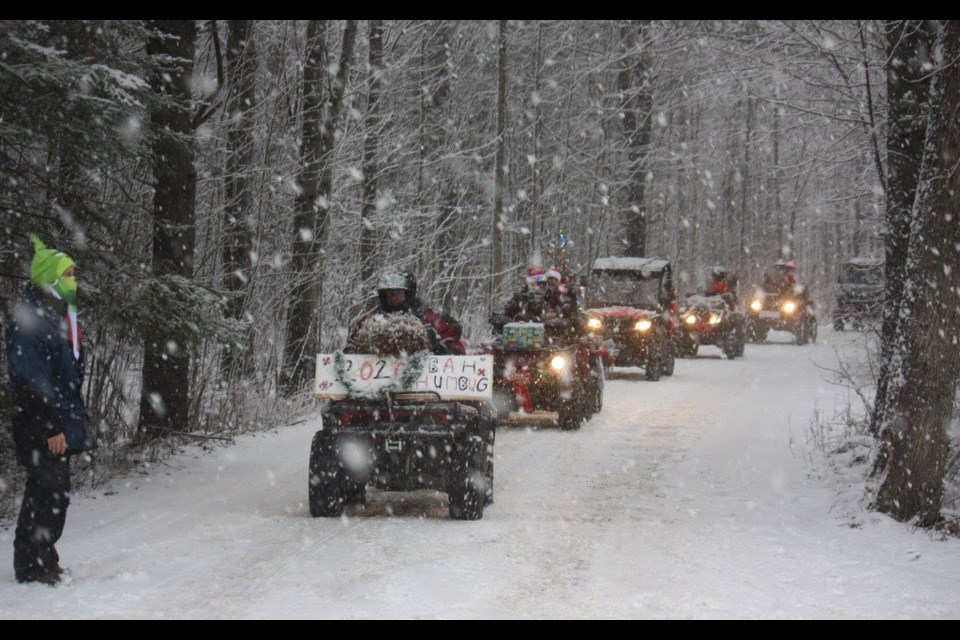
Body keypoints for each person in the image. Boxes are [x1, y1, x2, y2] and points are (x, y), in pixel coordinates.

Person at [6, 235, 93, 585]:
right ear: (49, 279)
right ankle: (31, 566)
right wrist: (49, 426)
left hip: (58, 421)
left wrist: (77, 347)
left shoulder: (58, 319)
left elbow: (69, 378)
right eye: (68, 273)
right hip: (41, 423)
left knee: (53, 496)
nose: (74, 279)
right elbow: (30, 381)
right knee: (46, 494)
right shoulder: (29, 323)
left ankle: (44, 558)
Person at [345, 267, 466, 355]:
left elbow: (457, 353)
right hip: (375, 383)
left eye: (398, 293)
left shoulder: (428, 319)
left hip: (422, 383)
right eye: (389, 294)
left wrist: (437, 346)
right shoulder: (369, 322)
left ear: (408, 294)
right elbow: (349, 350)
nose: (393, 298)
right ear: (383, 296)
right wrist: (362, 354)